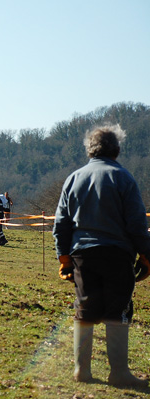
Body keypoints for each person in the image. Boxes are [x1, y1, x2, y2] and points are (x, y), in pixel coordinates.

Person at [53, 125, 150, 387]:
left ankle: (81, 371)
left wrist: (64, 258)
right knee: (117, 311)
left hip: (82, 256)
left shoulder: (73, 178)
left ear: (90, 149)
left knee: (84, 308)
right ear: (116, 149)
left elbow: (61, 224)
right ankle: (119, 373)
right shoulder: (124, 178)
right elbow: (137, 225)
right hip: (117, 255)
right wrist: (146, 255)